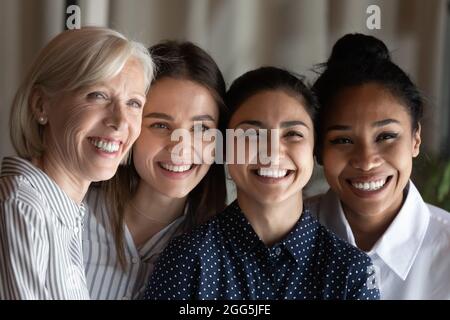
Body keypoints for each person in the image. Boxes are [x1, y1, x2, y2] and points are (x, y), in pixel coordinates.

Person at [143, 67, 380, 300]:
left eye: (293, 134)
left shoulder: (350, 272)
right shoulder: (187, 259)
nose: (272, 153)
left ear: (315, 149)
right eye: (252, 134)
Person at [0, 27, 154, 300]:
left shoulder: (64, 211)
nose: (119, 122)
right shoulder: (21, 205)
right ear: (41, 105)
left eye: (133, 103)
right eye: (98, 95)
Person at [307, 33, 450, 299]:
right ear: (318, 150)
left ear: (415, 139)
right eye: (343, 140)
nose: (366, 160)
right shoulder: (281, 240)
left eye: (386, 136)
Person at [83, 41, 228, 300]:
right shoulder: (72, 211)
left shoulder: (221, 251)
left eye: (201, 129)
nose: (180, 148)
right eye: (160, 125)